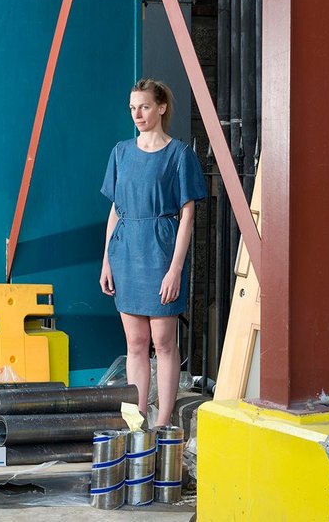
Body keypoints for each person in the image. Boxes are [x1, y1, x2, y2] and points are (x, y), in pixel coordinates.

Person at [99, 78, 207, 426]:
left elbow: (188, 213)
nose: (137, 114)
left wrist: (175, 269)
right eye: (132, 108)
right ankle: (137, 416)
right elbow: (115, 209)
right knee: (136, 341)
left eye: (143, 106)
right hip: (126, 251)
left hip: (160, 249)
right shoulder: (121, 152)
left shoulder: (180, 155)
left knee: (163, 341)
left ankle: (163, 421)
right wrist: (106, 261)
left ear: (161, 107)